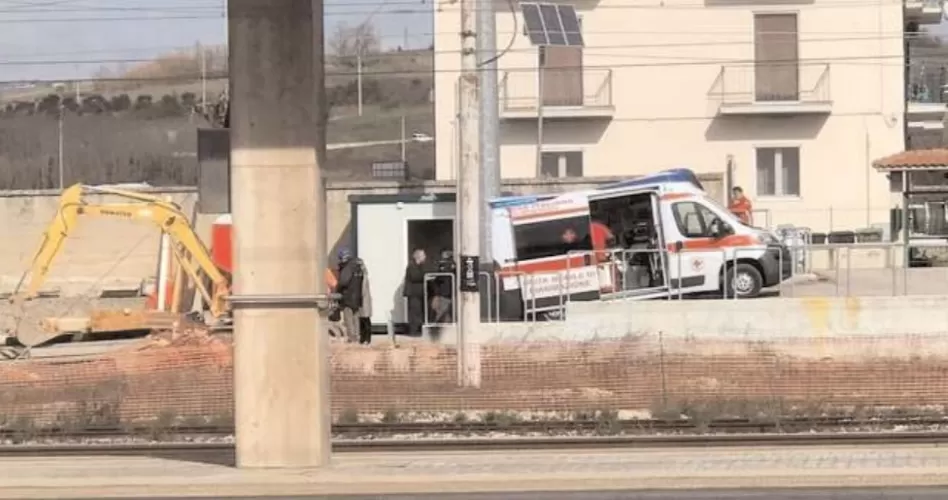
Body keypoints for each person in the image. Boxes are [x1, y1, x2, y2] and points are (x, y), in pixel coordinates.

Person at [335, 248, 365, 343]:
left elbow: (343, 281)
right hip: (357, 296)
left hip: (348, 295)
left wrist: (337, 289)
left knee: (348, 317)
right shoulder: (358, 266)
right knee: (356, 317)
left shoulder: (348, 267)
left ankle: (352, 337)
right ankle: (357, 335)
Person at [402, 249, 428, 337]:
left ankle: (417, 329)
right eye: (423, 255)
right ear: (418, 257)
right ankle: (413, 331)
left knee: (418, 311)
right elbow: (415, 277)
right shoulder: (412, 266)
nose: (425, 257)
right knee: (415, 312)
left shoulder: (420, 266)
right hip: (413, 293)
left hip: (418, 293)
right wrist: (426, 276)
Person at [430, 249, 456, 324]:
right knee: (443, 311)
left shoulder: (446, 264)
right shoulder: (446, 264)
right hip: (445, 292)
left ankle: (441, 326)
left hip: (445, 291)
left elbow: (441, 277)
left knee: (443, 311)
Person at [356, 258, 373, 345]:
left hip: (364, 300)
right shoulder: (359, 274)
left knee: (366, 320)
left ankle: (367, 338)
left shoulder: (364, 275)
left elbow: (363, 289)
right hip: (362, 300)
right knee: (362, 320)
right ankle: (363, 338)